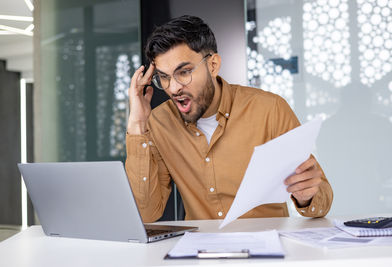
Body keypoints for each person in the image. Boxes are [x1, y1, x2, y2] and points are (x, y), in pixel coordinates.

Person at [125, 15, 333, 222]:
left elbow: (321, 202)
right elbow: (146, 213)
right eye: (164, 77)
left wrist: (307, 196)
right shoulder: (159, 122)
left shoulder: (270, 109)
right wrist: (137, 124)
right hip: (198, 250)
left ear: (213, 65)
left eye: (184, 72)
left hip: (267, 247)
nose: (173, 87)